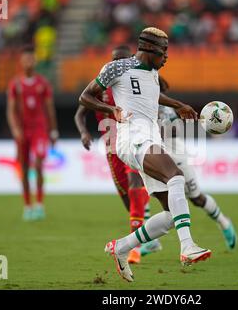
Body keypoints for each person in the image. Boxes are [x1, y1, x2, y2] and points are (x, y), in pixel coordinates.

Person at [79, 27, 211, 282]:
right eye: (164, 51)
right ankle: (187, 247)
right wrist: (111, 109)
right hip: (132, 137)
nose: (167, 57)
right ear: (150, 49)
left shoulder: (151, 74)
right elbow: (85, 97)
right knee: (176, 176)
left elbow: (153, 96)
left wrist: (179, 105)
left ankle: (121, 248)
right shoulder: (116, 68)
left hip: (150, 137)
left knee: (172, 214)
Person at [74, 45, 159, 264]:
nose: (117, 65)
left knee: (134, 184)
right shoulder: (101, 84)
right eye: (114, 60)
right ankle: (148, 236)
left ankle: (135, 248)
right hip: (111, 146)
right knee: (128, 198)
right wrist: (84, 132)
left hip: (132, 139)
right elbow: (80, 112)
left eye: (121, 60)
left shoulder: (134, 82)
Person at [155, 77, 237, 250]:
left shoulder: (168, 107)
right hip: (157, 158)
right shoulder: (144, 104)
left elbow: (172, 130)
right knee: (162, 200)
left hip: (177, 158)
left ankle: (224, 222)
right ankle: (150, 242)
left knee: (196, 198)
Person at [7, 45, 59, 221]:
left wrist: (53, 131)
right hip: (23, 131)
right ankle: (27, 205)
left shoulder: (42, 83)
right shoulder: (16, 84)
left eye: (31, 58)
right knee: (23, 167)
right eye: (26, 58)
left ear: (35, 61)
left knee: (38, 165)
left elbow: (49, 108)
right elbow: (11, 110)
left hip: (40, 130)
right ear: (21, 61)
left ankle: (39, 204)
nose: (28, 61)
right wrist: (15, 129)